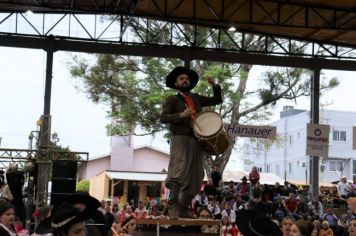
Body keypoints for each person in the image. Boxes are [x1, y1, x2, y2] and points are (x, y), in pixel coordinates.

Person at [160, 66, 222, 219]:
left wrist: (214, 85)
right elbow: (163, 118)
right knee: (177, 173)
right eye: (182, 78)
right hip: (179, 137)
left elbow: (217, 99)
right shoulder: (172, 99)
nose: (185, 80)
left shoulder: (196, 97)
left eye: (187, 79)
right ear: (176, 82)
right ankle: (173, 205)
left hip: (196, 139)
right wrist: (182, 115)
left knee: (196, 178)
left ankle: (183, 207)